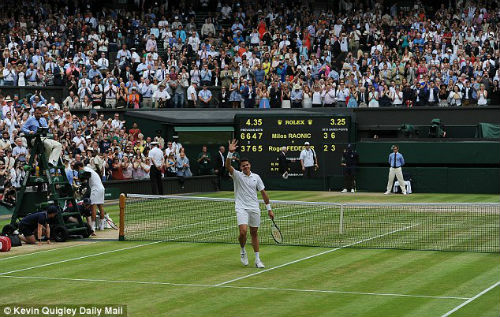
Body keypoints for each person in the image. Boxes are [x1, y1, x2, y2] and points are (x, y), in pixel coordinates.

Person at [225, 139, 274, 268]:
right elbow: (228, 166)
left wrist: (269, 209)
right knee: (243, 232)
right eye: (243, 165)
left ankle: (257, 260)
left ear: (249, 165)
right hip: (241, 207)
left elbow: (263, 193)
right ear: (240, 167)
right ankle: (242, 250)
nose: (245, 166)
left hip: (254, 208)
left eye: (247, 164)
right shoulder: (236, 175)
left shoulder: (256, 177)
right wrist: (230, 153)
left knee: (254, 233)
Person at [74, 162, 106, 233]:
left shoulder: (85, 170)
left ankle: (93, 227)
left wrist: (77, 179)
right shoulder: (88, 169)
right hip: (101, 188)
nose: (78, 171)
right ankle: (102, 226)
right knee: (100, 206)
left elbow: (84, 178)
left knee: (93, 207)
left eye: (77, 170)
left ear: (79, 167)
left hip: (96, 189)